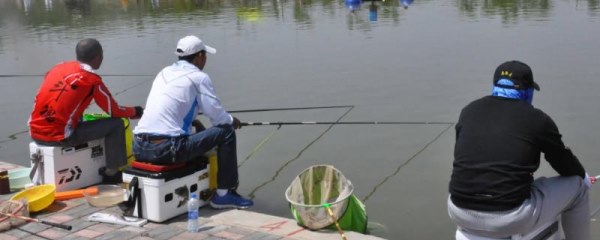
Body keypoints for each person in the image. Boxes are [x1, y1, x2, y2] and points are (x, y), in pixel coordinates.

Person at [447, 60, 591, 240]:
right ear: (528, 90)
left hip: (458, 210)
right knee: (578, 189)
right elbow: (563, 163)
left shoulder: (468, 110)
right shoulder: (537, 119)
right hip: (508, 218)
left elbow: (466, 160)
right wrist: (584, 178)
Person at [132, 35, 253, 209]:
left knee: (195, 124)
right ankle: (224, 194)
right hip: (166, 151)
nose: (206, 60)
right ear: (199, 56)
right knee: (226, 131)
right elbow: (218, 116)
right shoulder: (199, 77)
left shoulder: (163, 72)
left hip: (139, 147)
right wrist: (233, 121)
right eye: (205, 55)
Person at [28, 38, 144, 180]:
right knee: (117, 124)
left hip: (35, 132)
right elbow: (114, 111)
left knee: (77, 113)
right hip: (59, 137)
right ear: (99, 57)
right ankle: (112, 173)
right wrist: (136, 111)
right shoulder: (92, 80)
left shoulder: (58, 68)